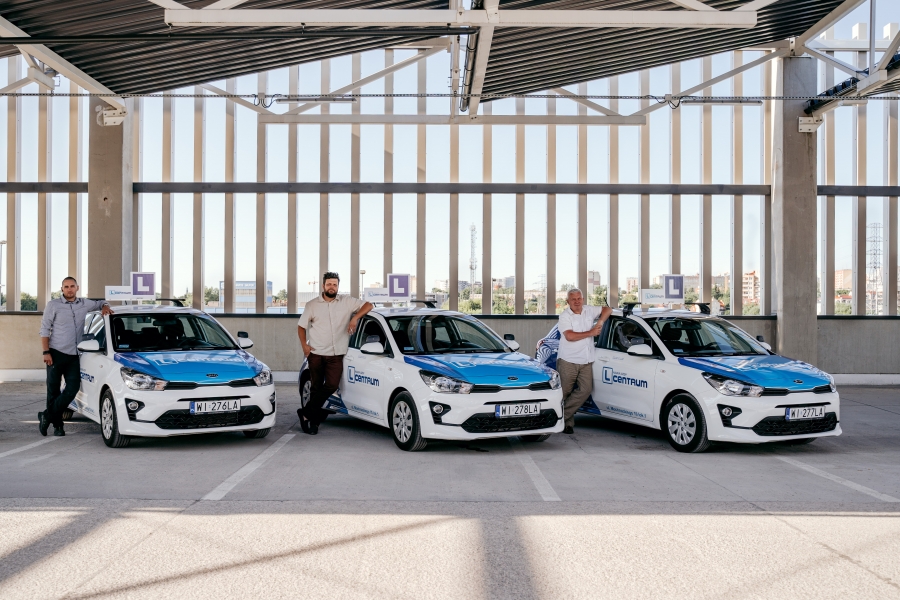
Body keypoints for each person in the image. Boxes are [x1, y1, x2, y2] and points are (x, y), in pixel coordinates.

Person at [297, 272, 373, 435]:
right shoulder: (312, 305)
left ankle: (306, 413)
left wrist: (355, 318)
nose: (332, 287)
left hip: (336, 354)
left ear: (338, 286)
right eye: (329, 284)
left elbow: (369, 305)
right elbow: (301, 326)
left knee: (332, 385)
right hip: (316, 353)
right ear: (323, 286)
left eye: (335, 284)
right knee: (316, 387)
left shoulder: (347, 301)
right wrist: (304, 346)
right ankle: (313, 422)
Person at [38, 277, 113, 437]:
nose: (69, 289)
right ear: (62, 289)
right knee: (53, 390)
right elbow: (44, 329)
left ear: (77, 288)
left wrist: (106, 306)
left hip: (74, 355)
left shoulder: (85, 304)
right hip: (56, 353)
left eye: (72, 286)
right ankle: (58, 426)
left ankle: (46, 415)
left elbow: (101, 302)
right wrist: (46, 352)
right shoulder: (53, 305)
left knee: (72, 388)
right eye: (66, 287)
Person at [557, 288, 612, 434]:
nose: (577, 302)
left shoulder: (589, 310)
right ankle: (567, 424)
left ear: (583, 299)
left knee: (585, 390)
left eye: (579, 298)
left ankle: (559, 418)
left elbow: (608, 309)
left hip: (586, 360)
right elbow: (569, 336)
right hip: (568, 360)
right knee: (564, 392)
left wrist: (600, 322)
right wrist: (591, 332)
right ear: (568, 301)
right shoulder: (564, 316)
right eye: (573, 299)